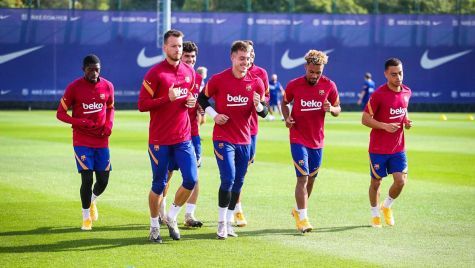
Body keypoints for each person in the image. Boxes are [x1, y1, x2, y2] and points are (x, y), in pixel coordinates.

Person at [197, 40, 268, 239]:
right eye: (241, 59)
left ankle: (229, 223)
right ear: (233, 58)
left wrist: (259, 106)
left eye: (248, 59)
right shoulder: (219, 79)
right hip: (223, 137)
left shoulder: (257, 82)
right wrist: (214, 115)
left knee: (238, 182)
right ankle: (220, 223)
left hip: (245, 139)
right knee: (227, 178)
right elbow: (202, 98)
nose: (245, 62)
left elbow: (263, 112)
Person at [138, 29, 198, 243]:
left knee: (191, 179)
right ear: (165, 48)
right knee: (159, 185)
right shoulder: (155, 74)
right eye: (173, 46)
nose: (178, 49)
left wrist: (190, 102)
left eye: (180, 46)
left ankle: (171, 216)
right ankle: (154, 226)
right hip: (159, 141)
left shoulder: (189, 72)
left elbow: (189, 97)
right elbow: (142, 105)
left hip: (183, 138)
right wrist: (166, 98)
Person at [281, 50, 341, 233]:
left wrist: (331, 108)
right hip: (298, 137)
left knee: (311, 179)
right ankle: (304, 219)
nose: (315, 75)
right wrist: (287, 117)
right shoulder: (294, 84)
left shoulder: (329, 85)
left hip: (317, 140)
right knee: (302, 177)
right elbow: (284, 103)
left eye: (318, 72)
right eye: (312, 71)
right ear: (306, 67)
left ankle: (299, 210)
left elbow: (338, 109)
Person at [56, 54, 115, 231]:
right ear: (84, 70)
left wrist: (109, 124)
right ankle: (85, 217)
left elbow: (110, 108)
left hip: (102, 140)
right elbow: (60, 113)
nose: (94, 73)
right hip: (82, 140)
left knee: (103, 180)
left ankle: (92, 201)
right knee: (87, 178)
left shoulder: (108, 86)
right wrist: (80, 122)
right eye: (91, 69)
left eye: (97, 69)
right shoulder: (74, 88)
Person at [361, 58, 412, 228]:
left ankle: (387, 206)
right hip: (378, 148)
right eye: (394, 74)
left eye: (400, 73)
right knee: (376, 183)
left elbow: (403, 110)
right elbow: (365, 119)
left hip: (398, 147)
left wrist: (406, 121)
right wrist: (384, 126)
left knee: (401, 181)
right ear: (385, 74)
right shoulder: (378, 95)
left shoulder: (407, 92)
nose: (398, 77)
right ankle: (375, 214)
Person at [160, 41, 204, 228]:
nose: (191, 60)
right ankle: (161, 211)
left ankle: (189, 214)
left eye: (193, 57)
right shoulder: (170, 77)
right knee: (167, 174)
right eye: (187, 57)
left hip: (192, 134)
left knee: (194, 176)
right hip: (171, 133)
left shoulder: (197, 78)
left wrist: (201, 108)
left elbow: (201, 103)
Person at [232, 40, 270, 227]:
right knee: (231, 173)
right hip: (232, 131)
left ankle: (233, 204)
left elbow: (266, 102)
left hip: (251, 130)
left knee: (242, 172)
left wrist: (260, 102)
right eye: (246, 54)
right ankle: (236, 209)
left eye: (252, 53)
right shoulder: (235, 71)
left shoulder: (261, 74)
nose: (249, 57)